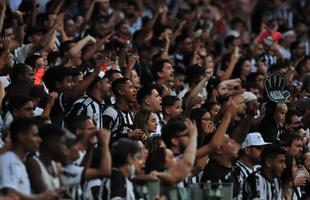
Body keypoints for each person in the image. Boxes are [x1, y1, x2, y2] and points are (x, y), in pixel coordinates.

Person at [0, 117, 57, 200]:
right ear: (21, 137)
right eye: (35, 135)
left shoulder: (20, 162)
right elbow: (11, 193)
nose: (39, 140)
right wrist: (41, 197)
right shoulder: (7, 159)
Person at [102, 78, 142, 142]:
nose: (135, 90)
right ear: (121, 92)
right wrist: (129, 135)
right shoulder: (110, 112)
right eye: (130, 87)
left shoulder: (130, 114)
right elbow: (103, 140)